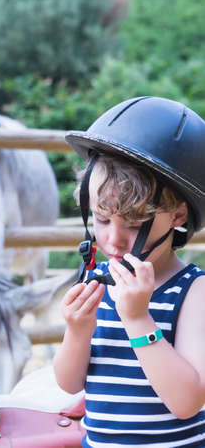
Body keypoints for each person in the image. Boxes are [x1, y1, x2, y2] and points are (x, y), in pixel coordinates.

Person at [53, 96, 205, 447]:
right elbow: (69, 383)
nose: (113, 239)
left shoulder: (193, 292)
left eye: (135, 224)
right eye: (102, 219)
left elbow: (186, 402)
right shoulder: (98, 281)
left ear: (178, 216)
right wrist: (77, 331)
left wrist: (138, 320)